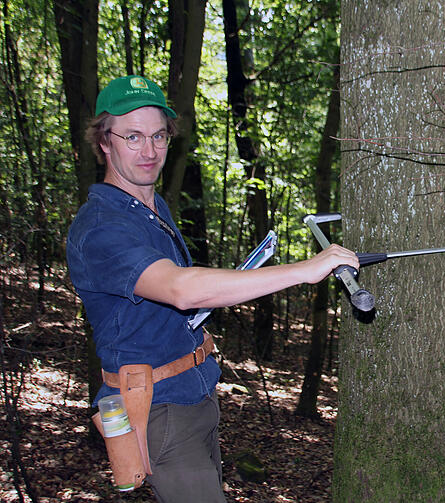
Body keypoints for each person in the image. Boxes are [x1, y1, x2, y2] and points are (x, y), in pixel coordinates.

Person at [66, 75, 359, 502]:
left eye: (158, 136)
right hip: (159, 410)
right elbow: (182, 290)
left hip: (194, 393)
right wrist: (305, 269)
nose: (149, 151)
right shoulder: (101, 229)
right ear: (104, 142)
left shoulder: (150, 206)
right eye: (132, 136)